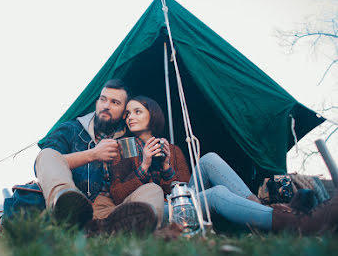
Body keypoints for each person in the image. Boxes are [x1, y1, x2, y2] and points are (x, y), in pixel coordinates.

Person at [109, 96, 338, 234]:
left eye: (137, 111)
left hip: (182, 203)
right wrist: (145, 164)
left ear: (153, 115)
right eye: (127, 113)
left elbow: (184, 190)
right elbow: (119, 196)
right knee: (217, 194)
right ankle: (298, 223)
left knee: (209, 159)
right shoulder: (122, 149)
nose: (130, 117)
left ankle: (265, 212)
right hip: (156, 209)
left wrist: (168, 166)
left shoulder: (172, 148)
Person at [35, 79, 159, 233]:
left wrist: (151, 162)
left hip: (112, 211)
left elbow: (130, 185)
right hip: (75, 202)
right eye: (103, 99)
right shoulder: (71, 129)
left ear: (123, 114)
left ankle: (121, 231)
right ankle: (67, 209)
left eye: (115, 102)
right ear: (97, 102)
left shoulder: (129, 141)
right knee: (46, 154)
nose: (106, 106)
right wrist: (92, 154)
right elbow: (45, 163)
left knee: (153, 190)